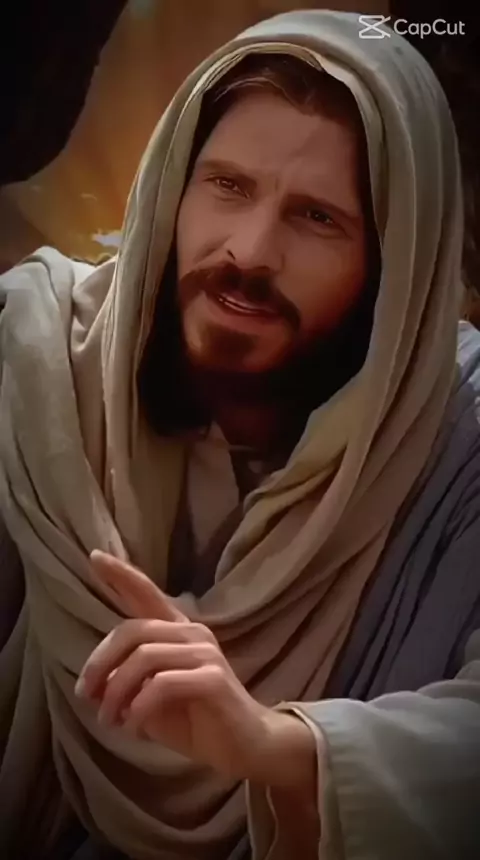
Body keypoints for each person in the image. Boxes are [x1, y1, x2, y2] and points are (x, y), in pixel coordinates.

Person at [0, 9, 480, 860]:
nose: (250, 253)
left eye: (317, 218)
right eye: (226, 186)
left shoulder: (461, 438)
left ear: (395, 265)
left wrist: (275, 747)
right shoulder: (31, 357)